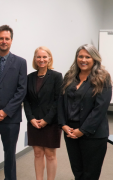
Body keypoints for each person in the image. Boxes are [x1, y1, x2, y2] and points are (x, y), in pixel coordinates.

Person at [58, 44, 112, 180]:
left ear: (94, 59)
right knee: (77, 171)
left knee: (90, 174)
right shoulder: (69, 76)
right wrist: (63, 125)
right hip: (70, 132)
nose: (83, 60)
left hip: (93, 135)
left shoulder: (103, 78)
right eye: (80, 56)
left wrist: (82, 130)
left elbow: (100, 109)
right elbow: (61, 102)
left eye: (87, 57)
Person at [0, 25, 27, 180]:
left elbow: (21, 90)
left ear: (11, 41)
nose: (3, 41)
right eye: (1, 38)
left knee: (9, 155)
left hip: (11, 119)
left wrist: (6, 111)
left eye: (7, 38)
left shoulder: (21, 63)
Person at [23, 46, 62, 180]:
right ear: (35, 59)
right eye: (38, 57)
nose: (41, 59)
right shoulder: (29, 77)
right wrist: (31, 118)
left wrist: (46, 120)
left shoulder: (57, 77)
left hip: (51, 122)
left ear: (49, 58)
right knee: (38, 153)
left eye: (44, 57)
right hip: (34, 122)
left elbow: (58, 101)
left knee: (50, 154)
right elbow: (26, 100)